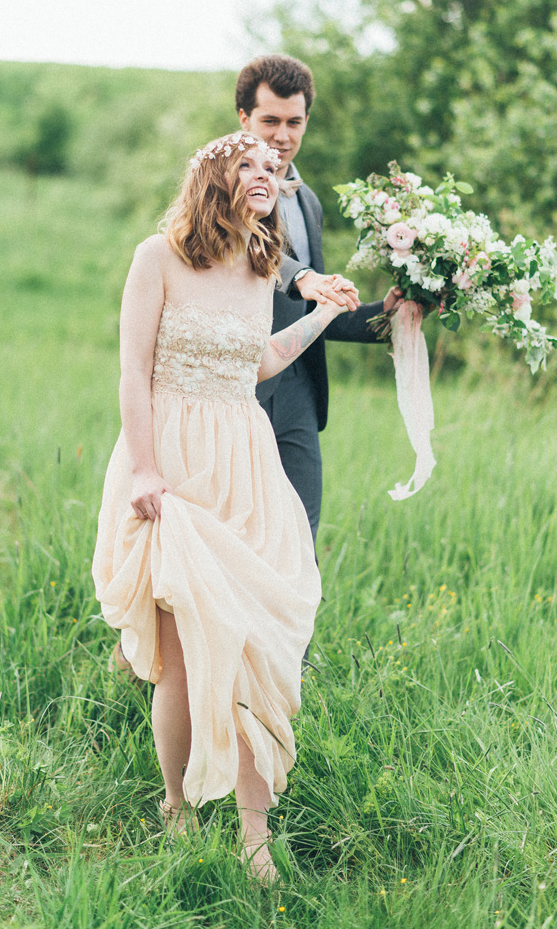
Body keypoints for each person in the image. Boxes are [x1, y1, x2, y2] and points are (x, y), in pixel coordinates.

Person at [92, 131, 347, 882]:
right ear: (213, 175)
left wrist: (323, 313)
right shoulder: (158, 257)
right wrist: (143, 467)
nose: (269, 173)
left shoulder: (259, 267)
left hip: (246, 463)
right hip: (169, 461)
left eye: (275, 168)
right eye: (251, 163)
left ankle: (253, 831)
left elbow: (259, 360)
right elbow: (132, 371)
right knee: (178, 657)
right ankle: (175, 806)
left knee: (255, 644)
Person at [236, 55, 401, 542]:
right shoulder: (223, 187)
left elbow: (315, 308)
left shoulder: (308, 201)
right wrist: (300, 275)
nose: (282, 136)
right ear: (244, 118)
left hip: (302, 390)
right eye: (270, 121)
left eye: (294, 122)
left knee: (301, 537)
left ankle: (294, 623)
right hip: (239, 389)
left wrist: (390, 314)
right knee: (242, 538)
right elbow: (244, 248)